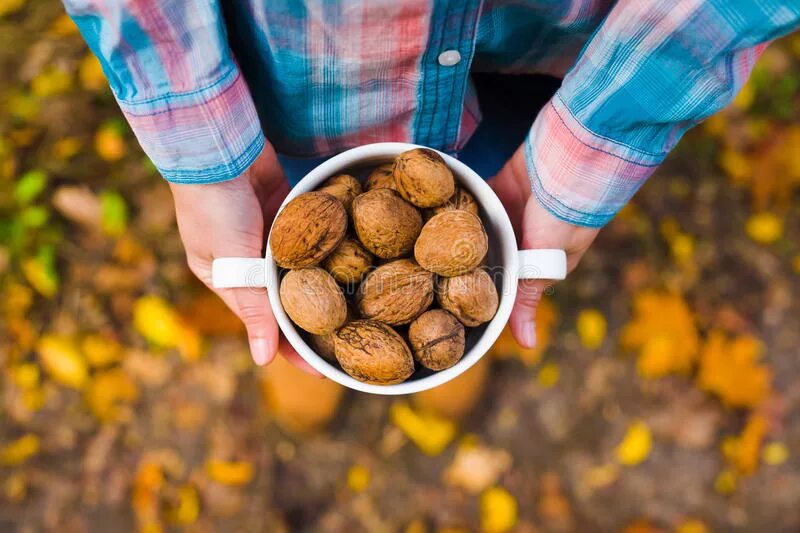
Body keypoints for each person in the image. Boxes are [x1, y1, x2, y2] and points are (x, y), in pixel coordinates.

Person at [62, 1, 800, 370]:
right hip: (293, 96)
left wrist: (587, 150)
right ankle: (311, 367)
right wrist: (204, 144)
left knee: (493, 220)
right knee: (284, 261)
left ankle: (445, 374)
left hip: (550, 64)